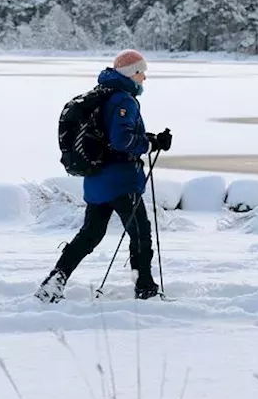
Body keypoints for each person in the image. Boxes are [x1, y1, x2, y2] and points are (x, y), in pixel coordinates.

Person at [35, 49, 172, 302]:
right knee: (140, 233)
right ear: (132, 74)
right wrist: (150, 144)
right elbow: (121, 141)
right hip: (120, 180)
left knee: (90, 235)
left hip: (96, 179)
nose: (145, 78)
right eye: (142, 73)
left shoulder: (102, 95)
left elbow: (111, 136)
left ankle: (53, 283)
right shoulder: (124, 100)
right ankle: (145, 288)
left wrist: (149, 139)